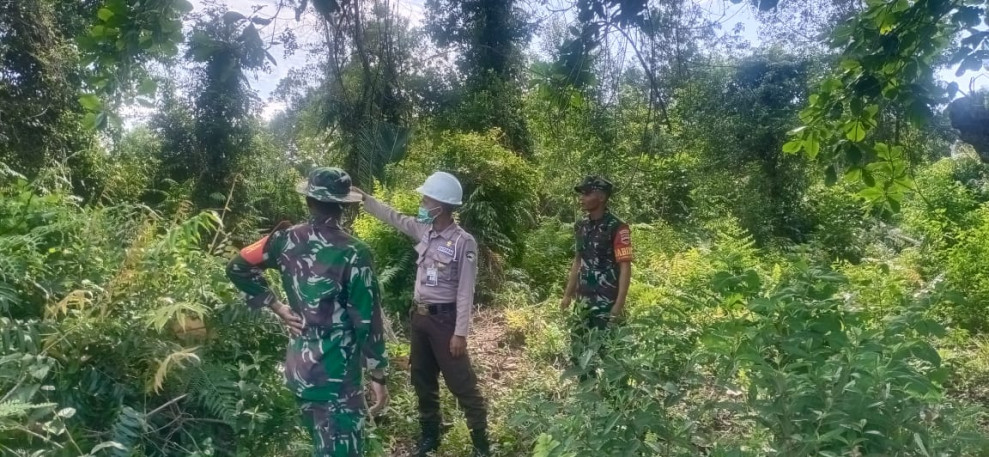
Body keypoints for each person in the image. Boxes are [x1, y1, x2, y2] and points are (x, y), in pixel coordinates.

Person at [226, 167, 389, 457]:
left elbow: (237, 266)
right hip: (337, 379)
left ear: (309, 201)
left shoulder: (283, 239)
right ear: (343, 206)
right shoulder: (354, 252)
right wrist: (378, 374)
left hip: (301, 369)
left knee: (320, 444)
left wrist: (275, 305)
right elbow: (366, 320)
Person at [352, 171, 490, 457]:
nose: (422, 202)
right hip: (420, 319)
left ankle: (480, 443)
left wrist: (460, 333)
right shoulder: (423, 230)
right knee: (422, 379)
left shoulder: (464, 242)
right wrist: (364, 198)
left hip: (445, 321)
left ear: (440, 204)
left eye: (426, 198)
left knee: (461, 383)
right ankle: (430, 435)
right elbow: (393, 217)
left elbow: (466, 290)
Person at [560, 175, 633, 376]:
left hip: (606, 303)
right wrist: (568, 295)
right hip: (583, 303)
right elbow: (578, 261)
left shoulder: (617, 227)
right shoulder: (581, 226)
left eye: (587, 193)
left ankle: (612, 403)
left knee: (609, 355)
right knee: (580, 353)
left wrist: (618, 305)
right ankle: (586, 398)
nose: (581, 198)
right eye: (582, 194)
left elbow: (625, 267)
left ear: (601, 197)